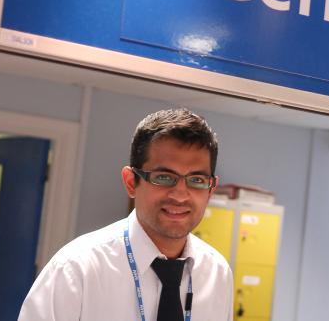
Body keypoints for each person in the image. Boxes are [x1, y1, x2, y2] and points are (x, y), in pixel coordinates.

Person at [18, 108, 233, 321]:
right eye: (164, 177)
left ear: (211, 189)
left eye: (197, 180)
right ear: (131, 182)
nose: (180, 195)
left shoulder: (217, 273)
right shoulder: (77, 269)